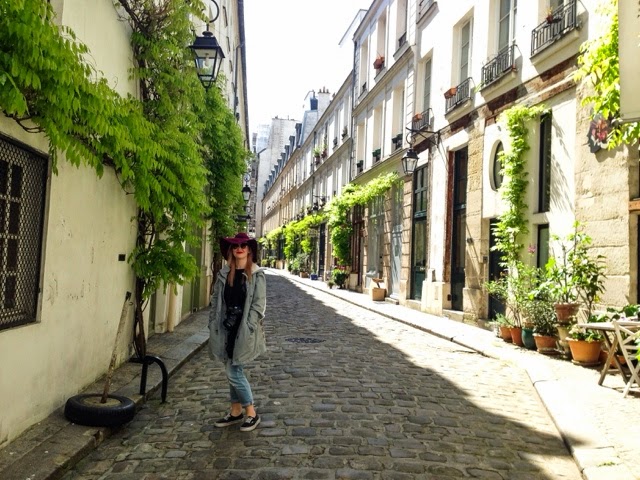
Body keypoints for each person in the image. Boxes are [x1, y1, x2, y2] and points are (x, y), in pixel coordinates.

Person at [208, 232, 267, 432]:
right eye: (235, 246)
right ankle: (235, 411)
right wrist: (213, 322)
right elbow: (216, 299)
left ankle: (251, 412)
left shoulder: (256, 274)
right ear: (232, 250)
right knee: (232, 367)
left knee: (234, 371)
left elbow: (258, 305)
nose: (239, 249)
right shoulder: (225, 273)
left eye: (243, 245)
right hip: (226, 328)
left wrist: (249, 325)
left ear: (249, 250)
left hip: (243, 329)